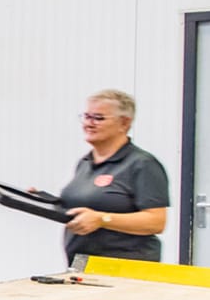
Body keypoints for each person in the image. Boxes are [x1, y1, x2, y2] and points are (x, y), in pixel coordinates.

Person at [56, 89, 168, 264]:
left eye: (98, 118)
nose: (89, 124)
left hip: (125, 266)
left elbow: (156, 222)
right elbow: (77, 208)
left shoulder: (142, 164)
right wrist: (38, 200)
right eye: (86, 117)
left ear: (124, 123)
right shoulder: (85, 163)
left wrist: (102, 219)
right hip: (82, 262)